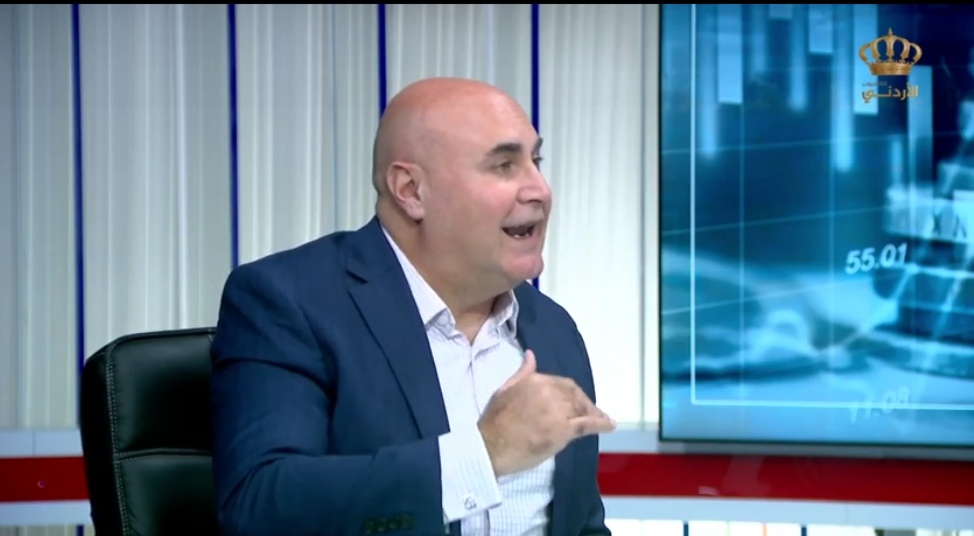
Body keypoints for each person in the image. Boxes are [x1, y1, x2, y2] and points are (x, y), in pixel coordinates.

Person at [209, 77, 616, 536]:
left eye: (535, 162)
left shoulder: (554, 329)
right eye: (504, 166)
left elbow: (582, 525)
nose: (539, 189)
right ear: (411, 190)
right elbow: (259, 505)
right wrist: (485, 453)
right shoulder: (289, 301)